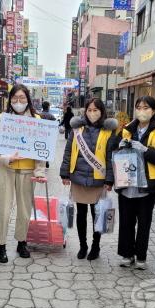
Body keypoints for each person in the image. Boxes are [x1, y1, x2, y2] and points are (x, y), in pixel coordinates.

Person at [114, 96, 155, 270]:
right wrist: (119, 145)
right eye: (139, 107)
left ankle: (141, 256)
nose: (142, 110)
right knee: (126, 221)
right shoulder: (126, 129)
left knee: (144, 222)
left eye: (146, 107)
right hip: (127, 182)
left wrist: (146, 150)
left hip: (147, 186)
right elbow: (113, 150)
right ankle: (127, 254)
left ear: (153, 111)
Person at [0, 84, 46, 263]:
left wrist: (40, 171)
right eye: (15, 99)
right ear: (10, 100)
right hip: (5, 170)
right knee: (3, 210)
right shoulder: (2, 119)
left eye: (22, 98)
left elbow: (41, 149)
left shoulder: (36, 119)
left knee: (24, 210)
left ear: (28, 99)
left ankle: (22, 242)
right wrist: (6, 158)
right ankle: (1, 246)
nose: (18, 102)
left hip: (27, 171)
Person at [60, 98, 118, 260]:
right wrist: (64, 174)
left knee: (97, 214)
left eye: (96, 110)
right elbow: (68, 153)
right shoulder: (77, 130)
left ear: (102, 112)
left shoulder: (108, 132)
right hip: (78, 178)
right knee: (81, 214)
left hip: (98, 180)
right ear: (85, 111)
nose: (92, 113)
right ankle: (83, 245)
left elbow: (109, 158)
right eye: (90, 110)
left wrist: (109, 180)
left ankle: (95, 246)